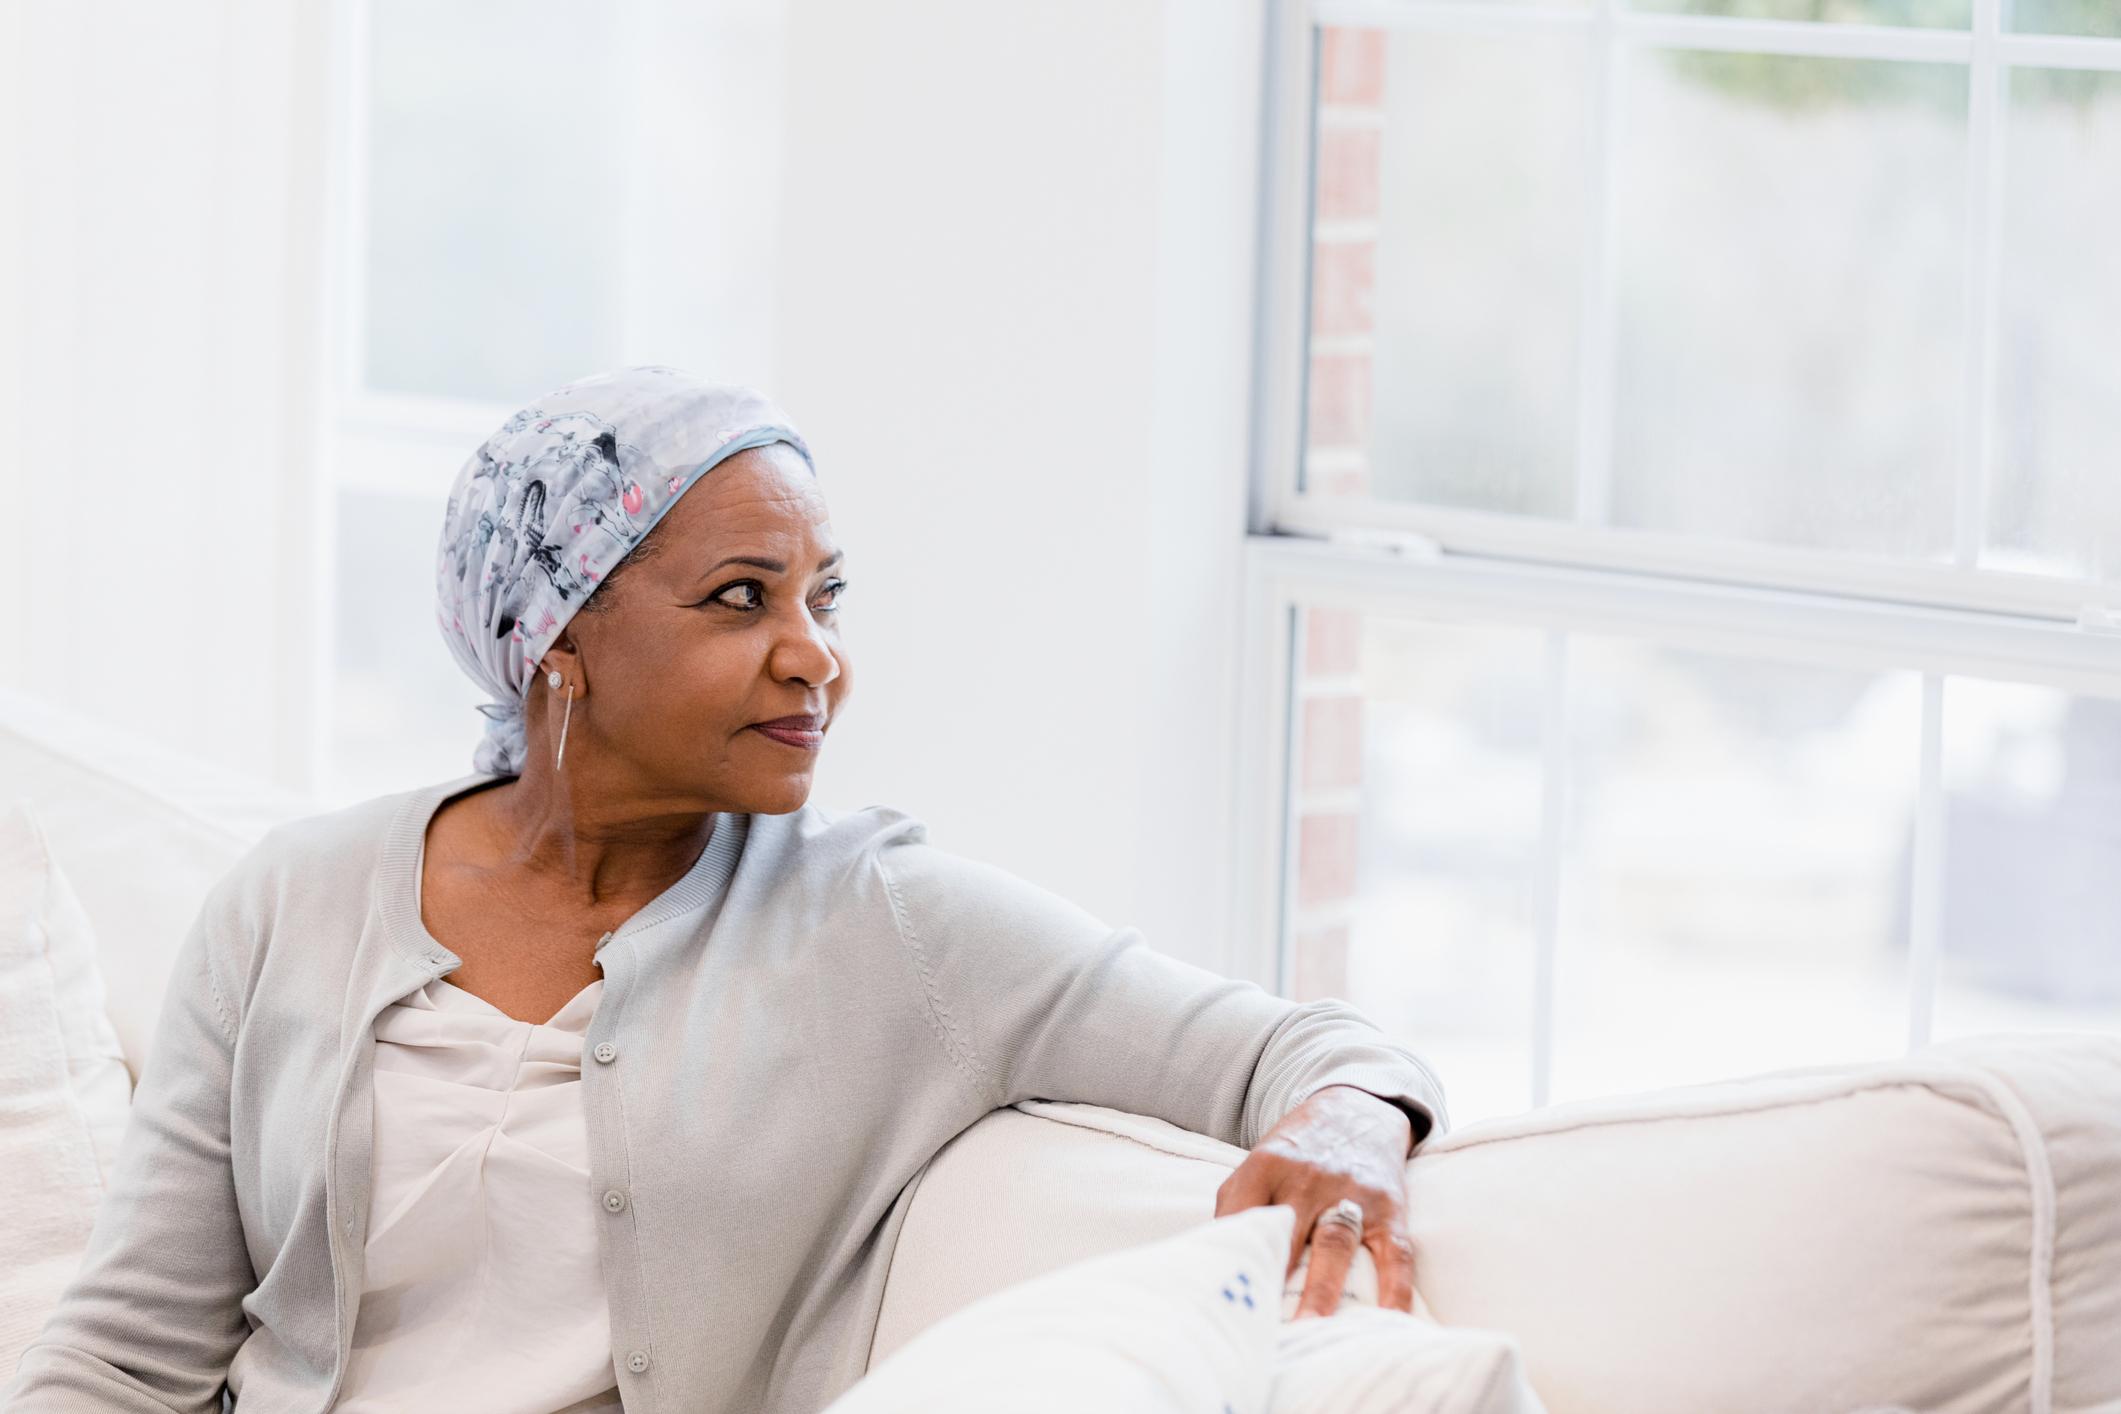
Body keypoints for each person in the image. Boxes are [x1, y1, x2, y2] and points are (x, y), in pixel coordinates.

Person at [2, 366, 1450, 1414]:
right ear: (556, 635)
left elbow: (1299, 1048)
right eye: (740, 597)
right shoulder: (296, 897)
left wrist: (1350, 1118)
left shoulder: (888, 922)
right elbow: (128, 1346)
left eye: (825, 597)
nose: (812, 652)